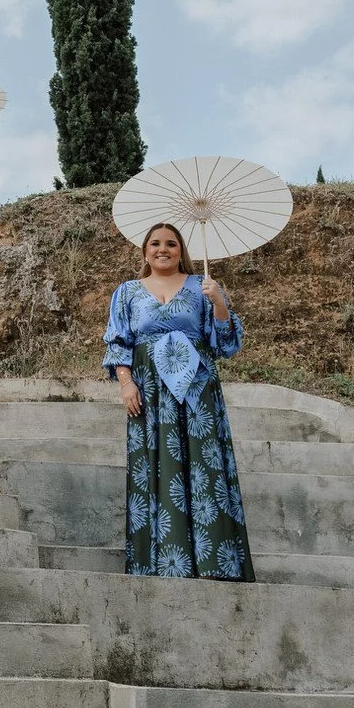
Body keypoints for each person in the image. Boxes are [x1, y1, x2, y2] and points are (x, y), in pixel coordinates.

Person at [105, 222, 255, 581]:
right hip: (148, 391)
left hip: (197, 391)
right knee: (154, 466)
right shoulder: (127, 292)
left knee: (204, 464)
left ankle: (214, 563)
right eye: (155, 243)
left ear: (181, 250)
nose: (163, 249)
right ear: (145, 252)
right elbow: (118, 341)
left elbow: (225, 344)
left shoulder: (202, 287)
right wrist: (126, 383)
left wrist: (218, 302)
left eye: (171, 244)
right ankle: (159, 564)